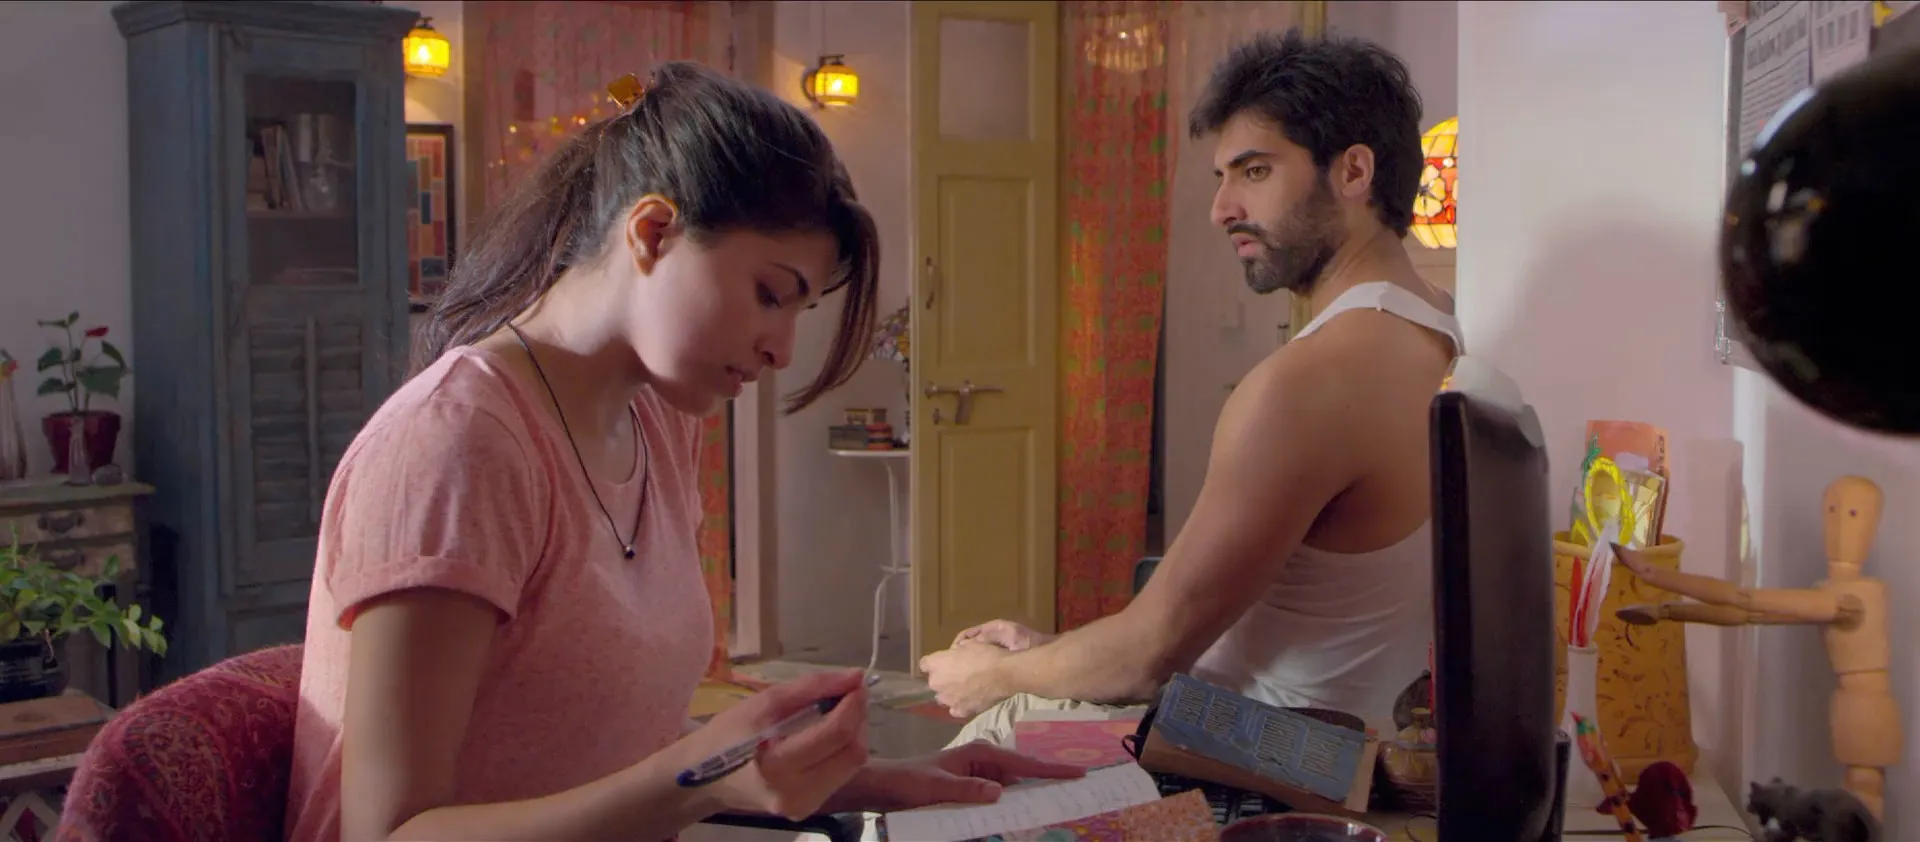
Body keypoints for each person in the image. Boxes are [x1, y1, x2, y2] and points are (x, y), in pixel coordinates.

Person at [284, 62, 1079, 842]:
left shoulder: (657, 423)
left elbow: (602, 746)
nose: (781, 350)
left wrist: (893, 781)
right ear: (653, 232)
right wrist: (697, 783)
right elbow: (389, 831)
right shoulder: (460, 443)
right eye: (769, 295)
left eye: (798, 312)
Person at [919, 29, 1462, 745]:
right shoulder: (1438, 329)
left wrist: (993, 678)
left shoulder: (1309, 384)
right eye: (1222, 177)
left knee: (976, 744)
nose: (1222, 208)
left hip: (1251, 757)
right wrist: (1051, 658)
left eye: (1255, 170)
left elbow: (1146, 657)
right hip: (1312, 736)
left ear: (1354, 171)